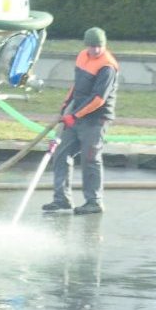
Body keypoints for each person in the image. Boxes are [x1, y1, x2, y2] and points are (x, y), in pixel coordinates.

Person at [42, 28, 119, 215]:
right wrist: (66, 104)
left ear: (104, 44)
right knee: (61, 153)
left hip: (95, 119)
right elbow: (77, 85)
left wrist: (74, 115)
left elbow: (98, 99)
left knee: (90, 159)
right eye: (92, 46)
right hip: (75, 114)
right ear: (86, 45)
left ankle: (94, 202)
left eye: (99, 46)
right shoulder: (82, 57)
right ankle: (62, 199)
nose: (96, 50)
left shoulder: (107, 66)